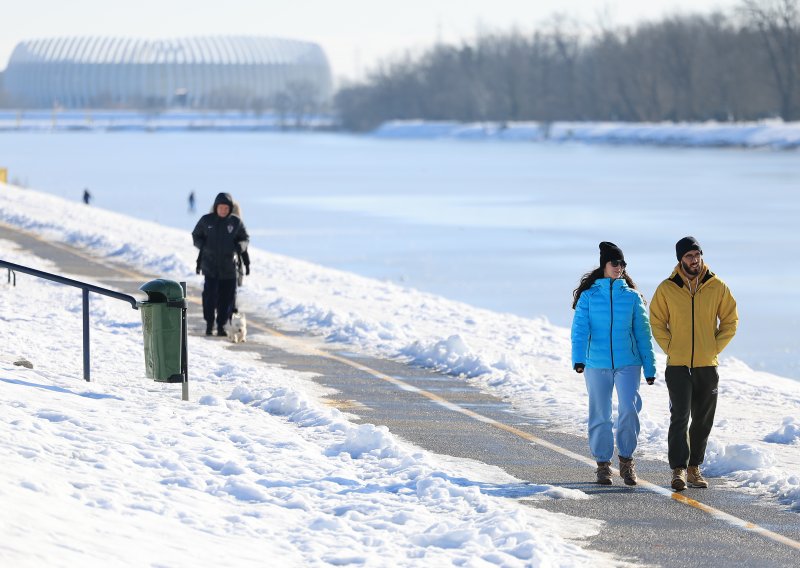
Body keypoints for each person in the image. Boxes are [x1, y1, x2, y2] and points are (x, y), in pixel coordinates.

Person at [650, 236, 738, 491]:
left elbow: (730, 321)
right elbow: (657, 322)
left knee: (702, 418)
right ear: (680, 259)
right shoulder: (667, 288)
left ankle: (694, 468)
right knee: (680, 416)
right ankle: (678, 469)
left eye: (697, 255)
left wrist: (713, 348)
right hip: (677, 365)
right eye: (689, 256)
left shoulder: (716, 286)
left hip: (706, 365)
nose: (694, 260)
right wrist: (671, 348)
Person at [571, 242, 656, 486]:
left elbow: (643, 333)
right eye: (615, 263)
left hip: (628, 362)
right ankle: (603, 465)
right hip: (596, 363)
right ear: (604, 265)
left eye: (622, 264)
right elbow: (579, 330)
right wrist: (578, 359)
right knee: (600, 413)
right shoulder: (588, 297)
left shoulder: (631, 297)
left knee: (629, 409)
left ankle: (627, 460)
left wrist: (649, 368)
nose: (619, 267)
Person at [192, 192, 249, 336]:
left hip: (229, 268)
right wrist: (203, 246)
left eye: (226, 208)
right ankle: (210, 324)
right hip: (210, 267)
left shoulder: (235, 222)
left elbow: (245, 239)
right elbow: (196, 235)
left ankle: (222, 325)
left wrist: (239, 247)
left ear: (230, 208)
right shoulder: (207, 220)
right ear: (216, 207)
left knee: (227, 299)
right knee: (209, 297)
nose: (223, 210)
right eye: (220, 207)